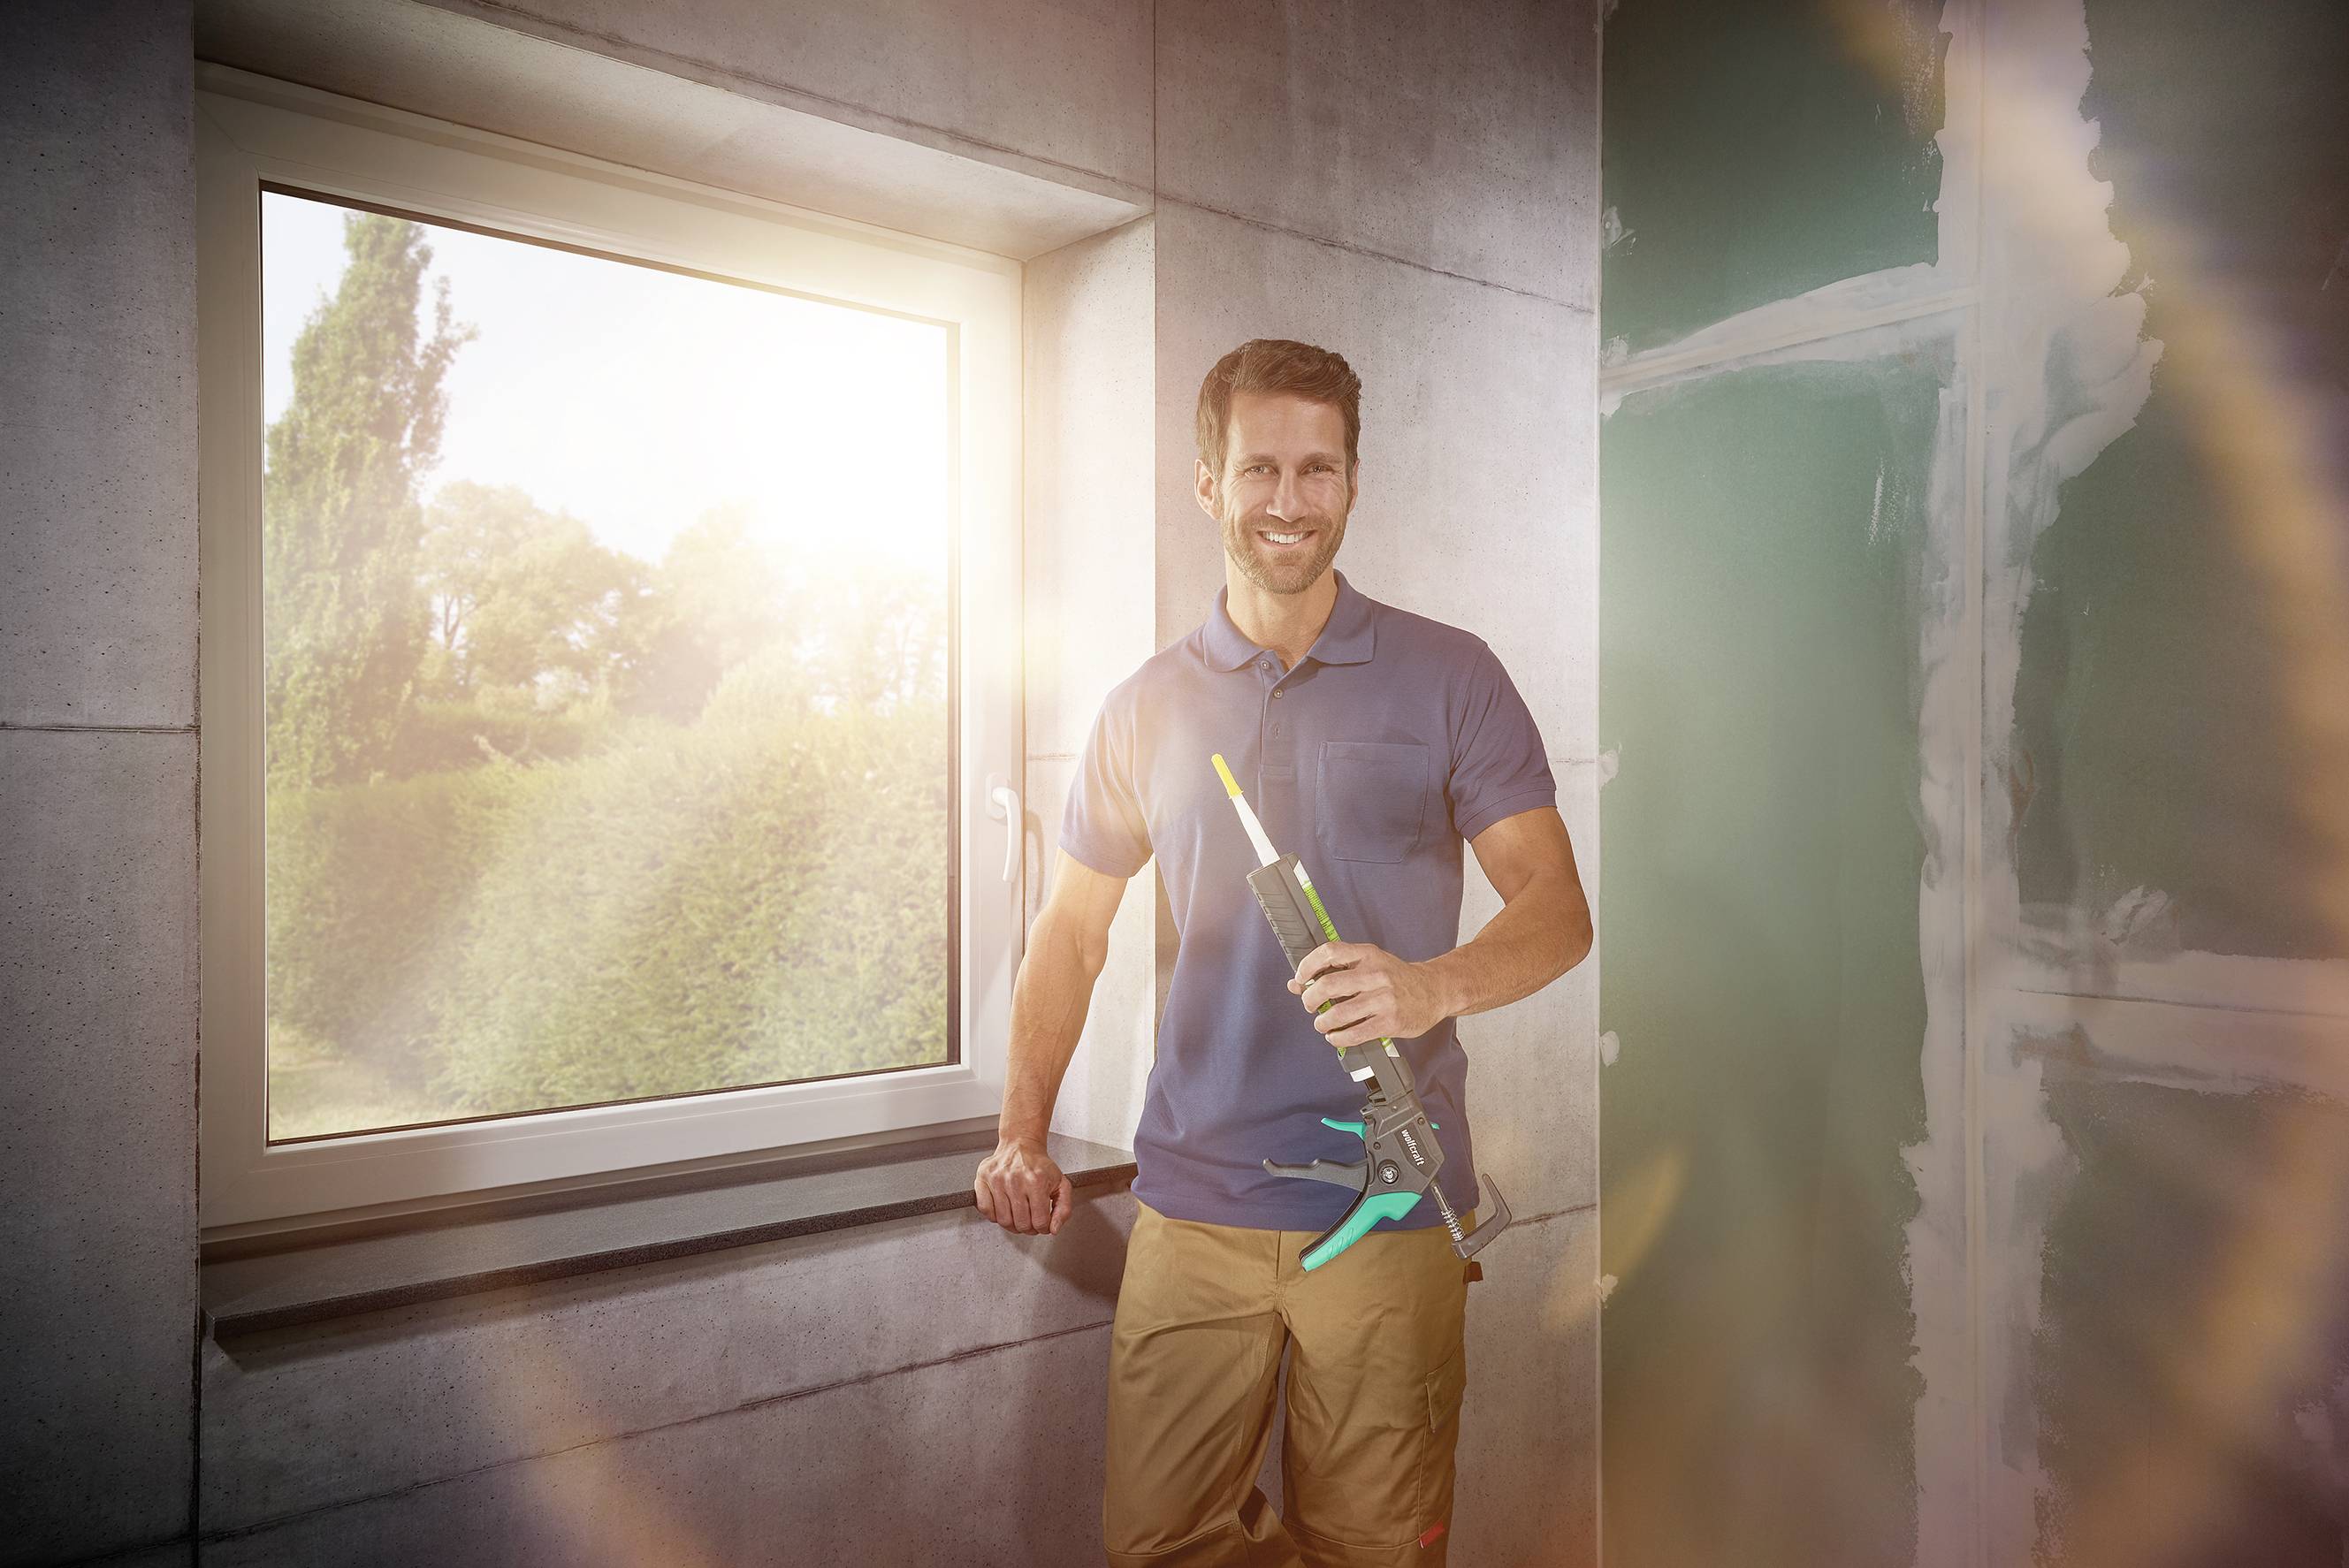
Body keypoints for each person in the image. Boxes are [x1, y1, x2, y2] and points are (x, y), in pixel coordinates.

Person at [973, 339, 1592, 1566]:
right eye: (1260, 468)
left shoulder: (1451, 676)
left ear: (1352, 482)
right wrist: (1020, 1132)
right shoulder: (1143, 706)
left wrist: (1427, 985)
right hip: (1192, 1207)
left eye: (1318, 469)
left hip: (1391, 1207)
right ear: (1207, 482)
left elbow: (1557, 911)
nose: (1289, 500)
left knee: (1378, 1549)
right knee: (1158, 1544)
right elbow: (1070, 934)